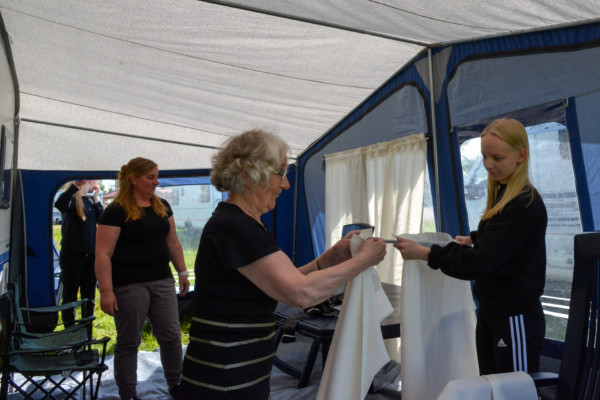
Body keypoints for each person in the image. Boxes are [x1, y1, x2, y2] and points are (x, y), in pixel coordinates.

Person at [176, 129, 386, 400]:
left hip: (235, 374)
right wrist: (364, 260)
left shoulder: (244, 223)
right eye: (280, 173)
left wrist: (329, 258)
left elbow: (277, 282)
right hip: (224, 381)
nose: (285, 184)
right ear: (248, 175)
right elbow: (300, 292)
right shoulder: (235, 226)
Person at [393, 118, 547, 375]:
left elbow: (478, 262)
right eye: (484, 156)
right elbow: (502, 234)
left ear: (520, 156)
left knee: (515, 389)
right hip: (492, 311)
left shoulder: (523, 203)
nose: (488, 164)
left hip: (515, 316)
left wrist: (427, 253)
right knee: (490, 385)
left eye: (497, 158)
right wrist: (475, 238)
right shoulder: (504, 193)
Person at [95, 157, 190, 400]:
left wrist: (182, 272)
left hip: (162, 281)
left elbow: (173, 241)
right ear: (134, 179)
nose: (156, 182)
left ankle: (176, 385)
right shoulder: (116, 210)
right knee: (129, 342)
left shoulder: (162, 206)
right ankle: (128, 393)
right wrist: (106, 292)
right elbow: (103, 254)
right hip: (128, 285)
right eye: (151, 177)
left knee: (171, 336)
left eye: (157, 176)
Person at [54, 179, 103, 327]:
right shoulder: (71, 199)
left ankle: (87, 332)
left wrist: (96, 198)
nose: (97, 183)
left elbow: (103, 219)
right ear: (89, 181)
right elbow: (59, 204)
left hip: (90, 256)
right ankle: (71, 332)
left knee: (89, 296)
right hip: (72, 256)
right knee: (70, 295)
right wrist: (75, 186)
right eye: (96, 181)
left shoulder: (90, 202)